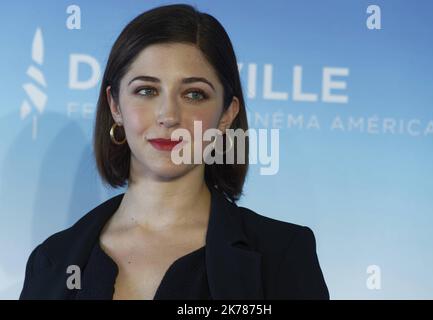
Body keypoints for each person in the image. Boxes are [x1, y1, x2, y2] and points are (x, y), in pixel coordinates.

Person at [19, 3, 329, 300]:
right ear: (115, 106)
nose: (168, 115)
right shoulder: (53, 260)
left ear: (226, 115)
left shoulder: (282, 255)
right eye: (147, 90)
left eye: (194, 94)